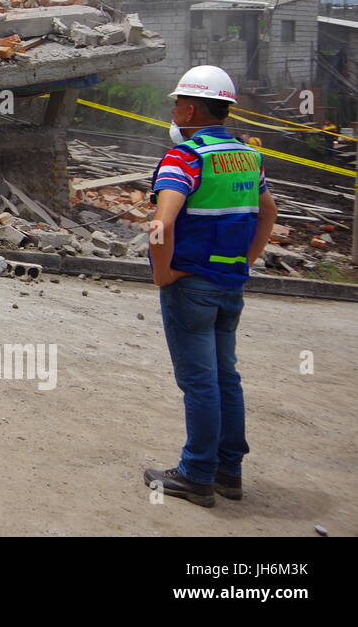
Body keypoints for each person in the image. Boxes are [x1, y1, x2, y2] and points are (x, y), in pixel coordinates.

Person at [144, 65, 278, 507]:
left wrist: (164, 274)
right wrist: (244, 261)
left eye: (177, 102)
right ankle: (228, 472)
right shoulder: (248, 157)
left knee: (199, 382)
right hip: (230, 283)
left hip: (191, 286)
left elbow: (161, 226)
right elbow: (268, 215)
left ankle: (196, 473)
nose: (174, 110)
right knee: (225, 378)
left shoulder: (186, 158)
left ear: (191, 107)